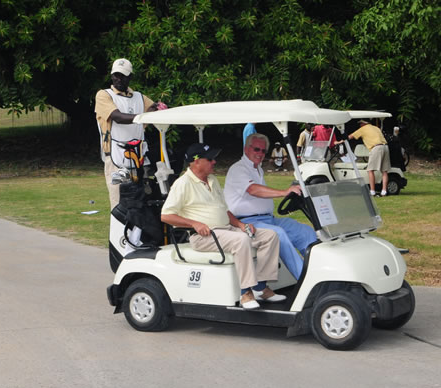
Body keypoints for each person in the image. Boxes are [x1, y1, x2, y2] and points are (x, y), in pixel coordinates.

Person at [161, 143, 285, 310]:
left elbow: (224, 210)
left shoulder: (212, 180)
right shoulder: (183, 183)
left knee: (270, 236)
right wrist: (194, 223)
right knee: (241, 240)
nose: (214, 162)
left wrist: (241, 224)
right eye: (210, 159)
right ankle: (245, 292)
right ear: (196, 161)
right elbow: (166, 215)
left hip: (227, 230)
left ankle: (260, 287)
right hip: (203, 236)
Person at [224, 133, 318, 281]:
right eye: (256, 149)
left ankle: (320, 274)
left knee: (305, 231)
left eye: (263, 151)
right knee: (278, 234)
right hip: (247, 223)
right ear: (246, 149)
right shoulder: (238, 169)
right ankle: (307, 282)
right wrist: (284, 192)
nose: (260, 154)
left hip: (268, 220)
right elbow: (253, 189)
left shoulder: (257, 169)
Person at [95, 58, 165, 209]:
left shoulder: (139, 97)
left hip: (139, 159)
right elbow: (118, 117)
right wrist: (143, 117)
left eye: (123, 75)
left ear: (130, 77)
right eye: (116, 75)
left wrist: (159, 108)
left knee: (141, 203)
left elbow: (154, 107)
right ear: (112, 75)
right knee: (119, 203)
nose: (118, 79)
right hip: (115, 160)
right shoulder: (103, 95)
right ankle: (119, 233)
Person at [348, 119, 390, 196]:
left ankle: (372, 191)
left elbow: (350, 137)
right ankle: (384, 191)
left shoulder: (363, 129)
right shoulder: (376, 128)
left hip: (376, 148)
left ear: (363, 123)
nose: (360, 125)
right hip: (385, 147)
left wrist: (340, 141)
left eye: (360, 123)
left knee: (370, 170)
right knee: (384, 171)